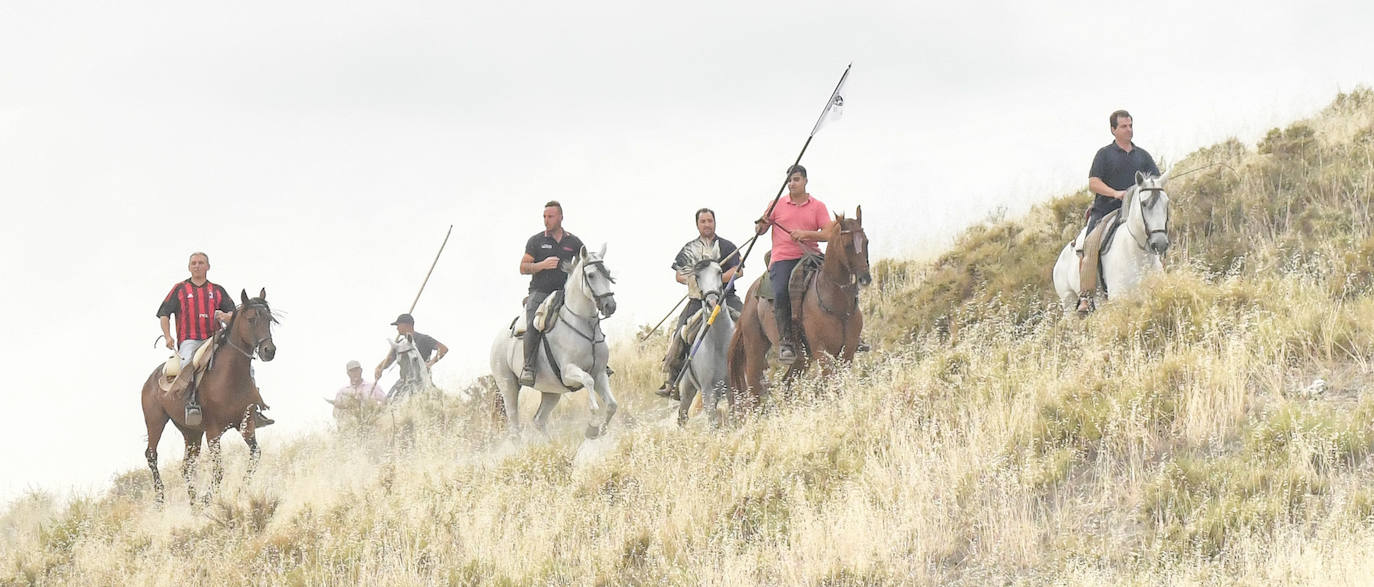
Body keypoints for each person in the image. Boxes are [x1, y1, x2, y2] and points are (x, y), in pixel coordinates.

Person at [655, 208, 744, 397]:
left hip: (726, 298)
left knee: (749, 325)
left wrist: (716, 280)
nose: (707, 224)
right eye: (703, 221)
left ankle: (759, 371)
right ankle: (673, 379)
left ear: (715, 223)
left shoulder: (727, 246)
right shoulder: (689, 249)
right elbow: (679, 275)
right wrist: (699, 281)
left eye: (710, 221)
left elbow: (739, 271)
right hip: (698, 300)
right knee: (680, 333)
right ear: (697, 224)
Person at [1079, 109, 1160, 313]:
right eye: (1124, 126)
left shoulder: (1143, 156)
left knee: (1158, 235)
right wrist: (1115, 193)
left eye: (1131, 125)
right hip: (1106, 210)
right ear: (1113, 130)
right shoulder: (1104, 154)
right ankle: (1086, 297)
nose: (1129, 130)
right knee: (1090, 243)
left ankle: (1161, 283)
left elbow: (1155, 181)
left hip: (1135, 212)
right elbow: (1093, 183)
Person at [754, 164, 831, 364]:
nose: (792, 184)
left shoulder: (818, 206)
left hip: (811, 256)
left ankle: (851, 332)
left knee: (840, 279)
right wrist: (761, 223)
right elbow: (759, 230)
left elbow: (830, 234)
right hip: (783, 258)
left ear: (805, 181)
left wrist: (806, 234)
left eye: (796, 179)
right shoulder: (776, 204)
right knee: (780, 292)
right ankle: (786, 341)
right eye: (789, 180)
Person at [156, 251, 237, 423]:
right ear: (189, 267)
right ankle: (191, 402)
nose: (197, 266)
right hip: (190, 339)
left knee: (237, 360)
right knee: (188, 364)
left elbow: (233, 313)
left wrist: (225, 316)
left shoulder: (217, 290)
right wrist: (168, 336)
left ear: (208, 266)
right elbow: (164, 313)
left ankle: (252, 403)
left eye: (201, 263)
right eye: (194, 263)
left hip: (214, 338)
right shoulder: (179, 289)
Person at [517, 200, 585, 386]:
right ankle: (529, 366)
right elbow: (523, 267)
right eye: (544, 217)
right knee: (533, 323)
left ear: (561, 217)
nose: (546, 220)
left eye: (551, 216)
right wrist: (542, 265)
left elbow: (584, 265)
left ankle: (597, 361)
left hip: (566, 293)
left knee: (587, 316)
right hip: (540, 292)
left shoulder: (574, 241)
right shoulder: (536, 241)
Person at [373, 313, 447, 380]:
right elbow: (389, 359)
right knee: (391, 395)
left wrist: (430, 364)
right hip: (404, 381)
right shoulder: (399, 344)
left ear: (406, 325)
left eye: (398, 325)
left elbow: (443, 349)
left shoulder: (423, 338)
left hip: (422, 379)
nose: (397, 328)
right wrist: (379, 368)